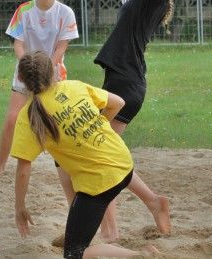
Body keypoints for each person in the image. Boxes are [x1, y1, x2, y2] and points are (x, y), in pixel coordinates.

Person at [93, 0, 212, 239]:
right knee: (102, 152)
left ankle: (118, 228)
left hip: (126, 84)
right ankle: (147, 205)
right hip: (119, 80)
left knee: (101, 154)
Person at [11, 51, 165, 259]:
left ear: (20, 78)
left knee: (74, 254)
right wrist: (98, 125)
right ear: (54, 71)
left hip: (99, 184)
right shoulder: (73, 86)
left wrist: (20, 206)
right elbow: (118, 102)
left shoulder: (29, 115)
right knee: (81, 221)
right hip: (123, 163)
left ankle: (139, 255)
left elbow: (23, 169)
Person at [0, 0, 79, 184]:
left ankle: (68, 166)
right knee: (13, 119)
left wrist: (45, 70)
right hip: (26, 70)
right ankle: (0, 166)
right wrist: (28, 68)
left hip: (53, 71)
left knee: (60, 121)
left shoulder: (65, 12)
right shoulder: (24, 10)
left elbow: (61, 48)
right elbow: (18, 45)